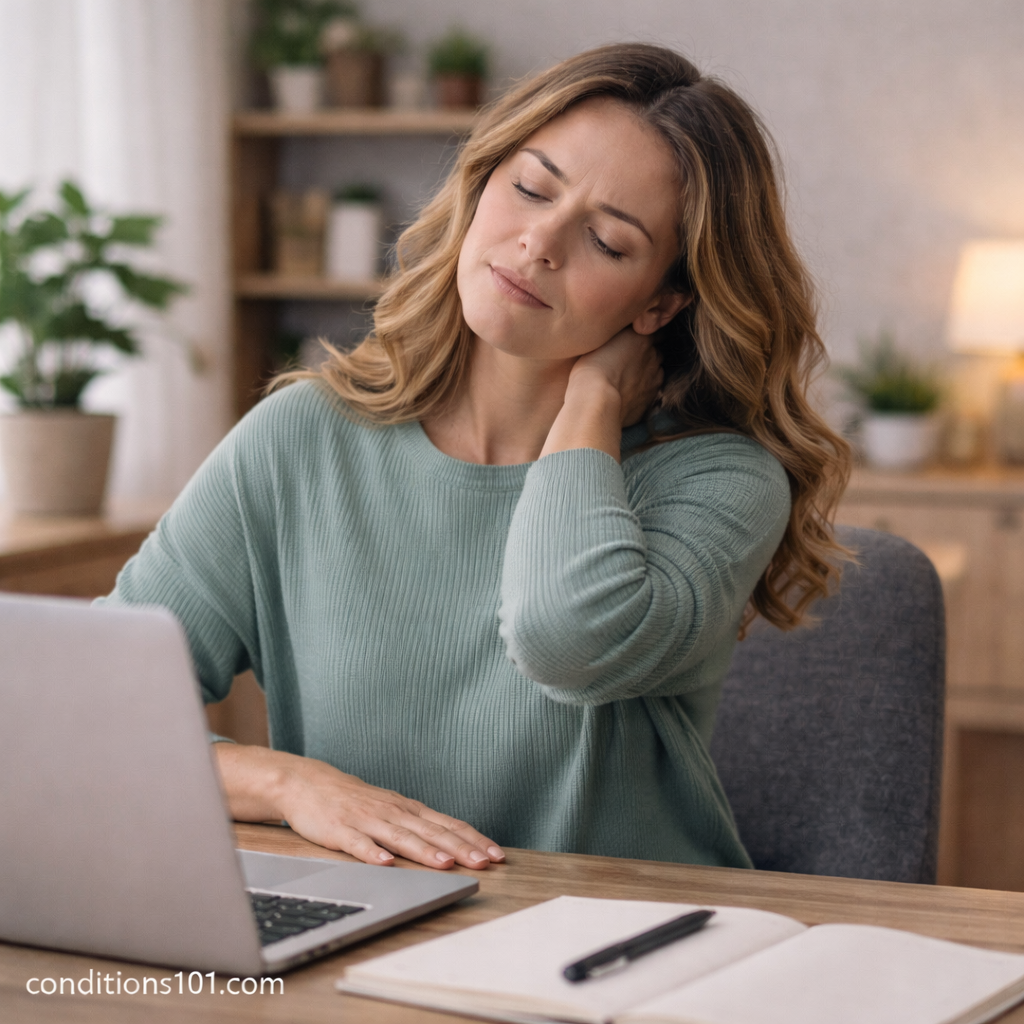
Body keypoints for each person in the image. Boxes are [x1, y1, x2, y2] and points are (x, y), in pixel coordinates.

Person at [100, 43, 850, 873]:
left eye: (606, 241)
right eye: (531, 188)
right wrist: (288, 786)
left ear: (662, 304)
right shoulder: (302, 439)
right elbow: (91, 708)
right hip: (377, 937)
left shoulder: (718, 479)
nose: (538, 244)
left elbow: (567, 638)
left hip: (627, 954)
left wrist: (593, 404)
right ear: (480, 182)